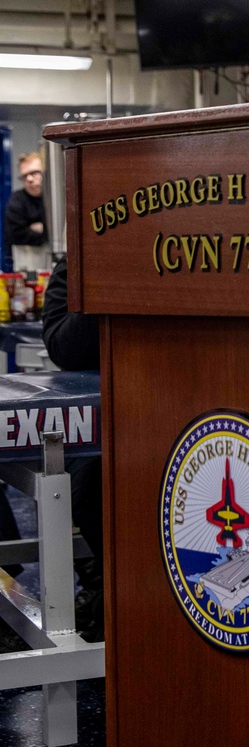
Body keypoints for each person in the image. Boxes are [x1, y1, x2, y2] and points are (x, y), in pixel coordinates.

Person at [42, 255, 103, 641]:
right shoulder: (80, 262)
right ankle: (101, 585)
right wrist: (101, 286)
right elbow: (61, 345)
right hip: (97, 412)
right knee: (82, 490)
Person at [5, 150, 51, 273]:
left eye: (34, 173)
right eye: (24, 176)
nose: (29, 179)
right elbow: (15, 234)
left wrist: (39, 229)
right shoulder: (17, 199)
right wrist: (46, 233)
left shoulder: (55, 198)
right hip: (26, 266)